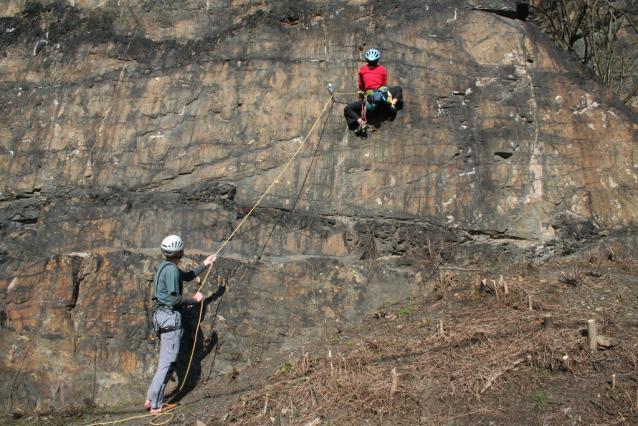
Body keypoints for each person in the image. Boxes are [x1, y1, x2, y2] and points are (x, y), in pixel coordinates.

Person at [143, 235, 217, 413]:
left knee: (164, 361)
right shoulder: (171, 271)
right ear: (179, 252)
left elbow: (188, 276)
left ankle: (150, 399)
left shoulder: (167, 267)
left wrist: (205, 263)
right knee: (168, 361)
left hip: (162, 316)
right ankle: (156, 405)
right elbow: (174, 299)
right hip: (169, 317)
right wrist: (194, 300)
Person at [344, 48, 403, 135]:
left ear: (367, 60)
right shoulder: (382, 69)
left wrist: (365, 90)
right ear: (377, 60)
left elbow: (361, 86)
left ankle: (361, 122)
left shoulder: (363, 69)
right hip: (384, 97)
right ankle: (393, 104)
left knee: (348, 109)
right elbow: (383, 84)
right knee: (398, 88)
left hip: (370, 101)